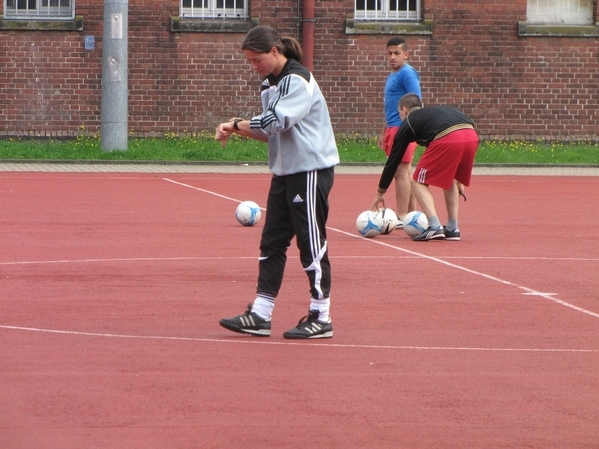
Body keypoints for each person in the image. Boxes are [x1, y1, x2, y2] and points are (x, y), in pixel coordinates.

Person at [215, 25, 339, 339]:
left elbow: (276, 121)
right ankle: (261, 313)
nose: (254, 67)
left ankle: (321, 315)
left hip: (309, 170)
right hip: (285, 172)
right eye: (249, 62)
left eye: (257, 60)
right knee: (272, 242)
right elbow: (268, 129)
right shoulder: (270, 84)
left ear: (274, 51)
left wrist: (235, 122)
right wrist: (237, 129)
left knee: (310, 242)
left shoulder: (297, 79)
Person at [370, 93, 479, 241]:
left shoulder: (408, 121)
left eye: (399, 113)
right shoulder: (433, 113)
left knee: (417, 181)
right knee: (450, 180)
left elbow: (393, 161)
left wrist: (379, 192)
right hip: (471, 135)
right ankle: (453, 228)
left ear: (404, 110)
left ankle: (434, 227)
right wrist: (459, 180)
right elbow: (468, 126)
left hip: (448, 137)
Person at [377, 37, 421, 224]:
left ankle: (402, 216)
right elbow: (390, 105)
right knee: (405, 173)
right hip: (393, 127)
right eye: (390, 53)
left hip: (403, 128)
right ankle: (412, 215)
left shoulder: (407, 73)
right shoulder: (392, 75)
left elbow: (415, 102)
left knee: (400, 172)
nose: (393, 57)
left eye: (397, 53)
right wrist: (383, 131)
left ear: (406, 54)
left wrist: (411, 129)